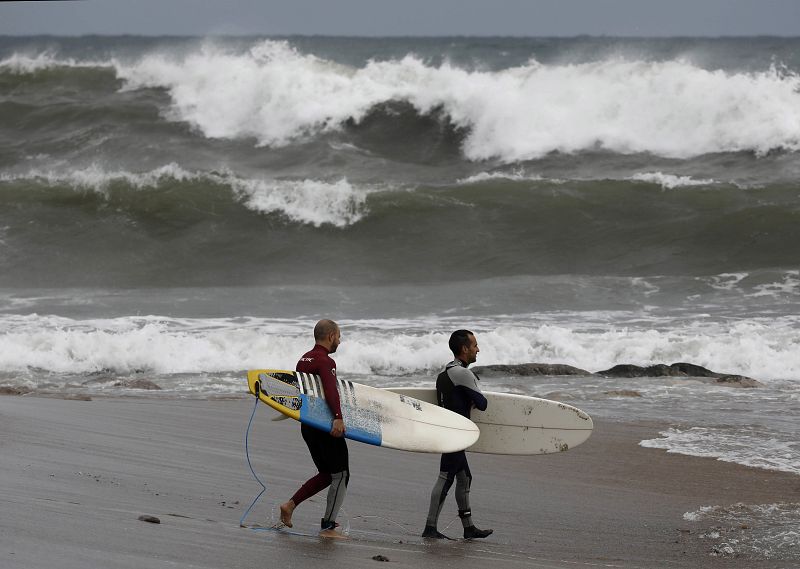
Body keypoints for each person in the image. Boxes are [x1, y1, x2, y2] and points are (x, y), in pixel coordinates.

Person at [279, 319, 349, 539]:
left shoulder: (304, 359)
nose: (339, 340)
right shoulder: (326, 361)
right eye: (338, 336)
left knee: (328, 474)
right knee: (341, 474)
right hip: (325, 426)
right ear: (330, 337)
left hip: (308, 426)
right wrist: (338, 417)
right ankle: (329, 527)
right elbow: (330, 390)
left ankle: (289, 505)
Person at [422, 329, 494, 540]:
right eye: (474, 346)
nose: (477, 349)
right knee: (445, 478)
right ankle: (430, 527)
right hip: (455, 435)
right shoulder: (462, 373)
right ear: (464, 349)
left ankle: (468, 527)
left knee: (465, 478)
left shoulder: (444, 375)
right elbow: (482, 404)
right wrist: (473, 395)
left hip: (449, 431)